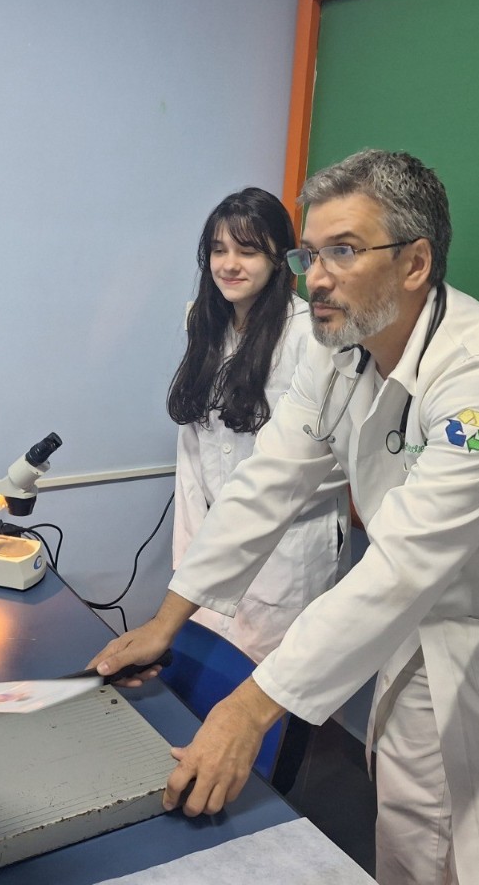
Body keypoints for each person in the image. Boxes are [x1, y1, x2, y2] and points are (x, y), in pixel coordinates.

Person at [93, 150, 479, 885]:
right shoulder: (339, 348)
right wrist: (167, 620)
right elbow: (265, 484)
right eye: (311, 254)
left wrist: (248, 712)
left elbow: (403, 563)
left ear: (416, 263)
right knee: (407, 831)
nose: (316, 277)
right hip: (427, 615)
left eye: (343, 251)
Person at [168, 187, 348, 662]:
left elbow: (338, 457)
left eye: (247, 251)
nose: (229, 265)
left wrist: (252, 511)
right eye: (218, 250)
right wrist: (189, 557)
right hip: (213, 538)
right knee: (205, 672)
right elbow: (192, 449)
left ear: (279, 258)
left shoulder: (311, 334)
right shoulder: (204, 324)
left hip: (287, 550)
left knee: (269, 684)